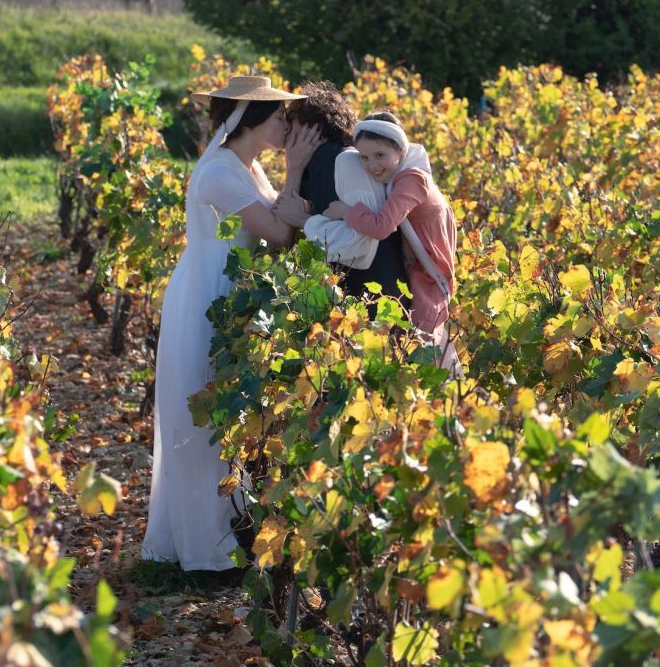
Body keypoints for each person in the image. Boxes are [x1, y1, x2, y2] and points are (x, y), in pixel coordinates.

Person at [142, 76, 320, 572]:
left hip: (227, 296)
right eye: (279, 116)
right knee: (205, 421)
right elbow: (279, 233)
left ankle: (227, 535)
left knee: (227, 423)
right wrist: (298, 168)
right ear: (250, 119)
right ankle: (204, 551)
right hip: (207, 298)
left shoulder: (246, 165)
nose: (287, 124)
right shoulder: (221, 171)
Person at [319, 113, 459, 369]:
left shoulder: (412, 179)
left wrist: (344, 211)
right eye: (363, 157)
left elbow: (381, 227)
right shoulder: (399, 175)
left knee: (424, 349)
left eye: (379, 155)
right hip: (419, 265)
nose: (371, 165)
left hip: (428, 272)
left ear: (400, 150)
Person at [280, 84, 409, 314]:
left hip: (380, 304)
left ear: (313, 128)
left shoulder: (346, 163)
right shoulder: (316, 167)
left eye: (292, 123)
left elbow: (362, 244)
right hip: (356, 302)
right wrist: (294, 167)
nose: (285, 131)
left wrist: (305, 221)